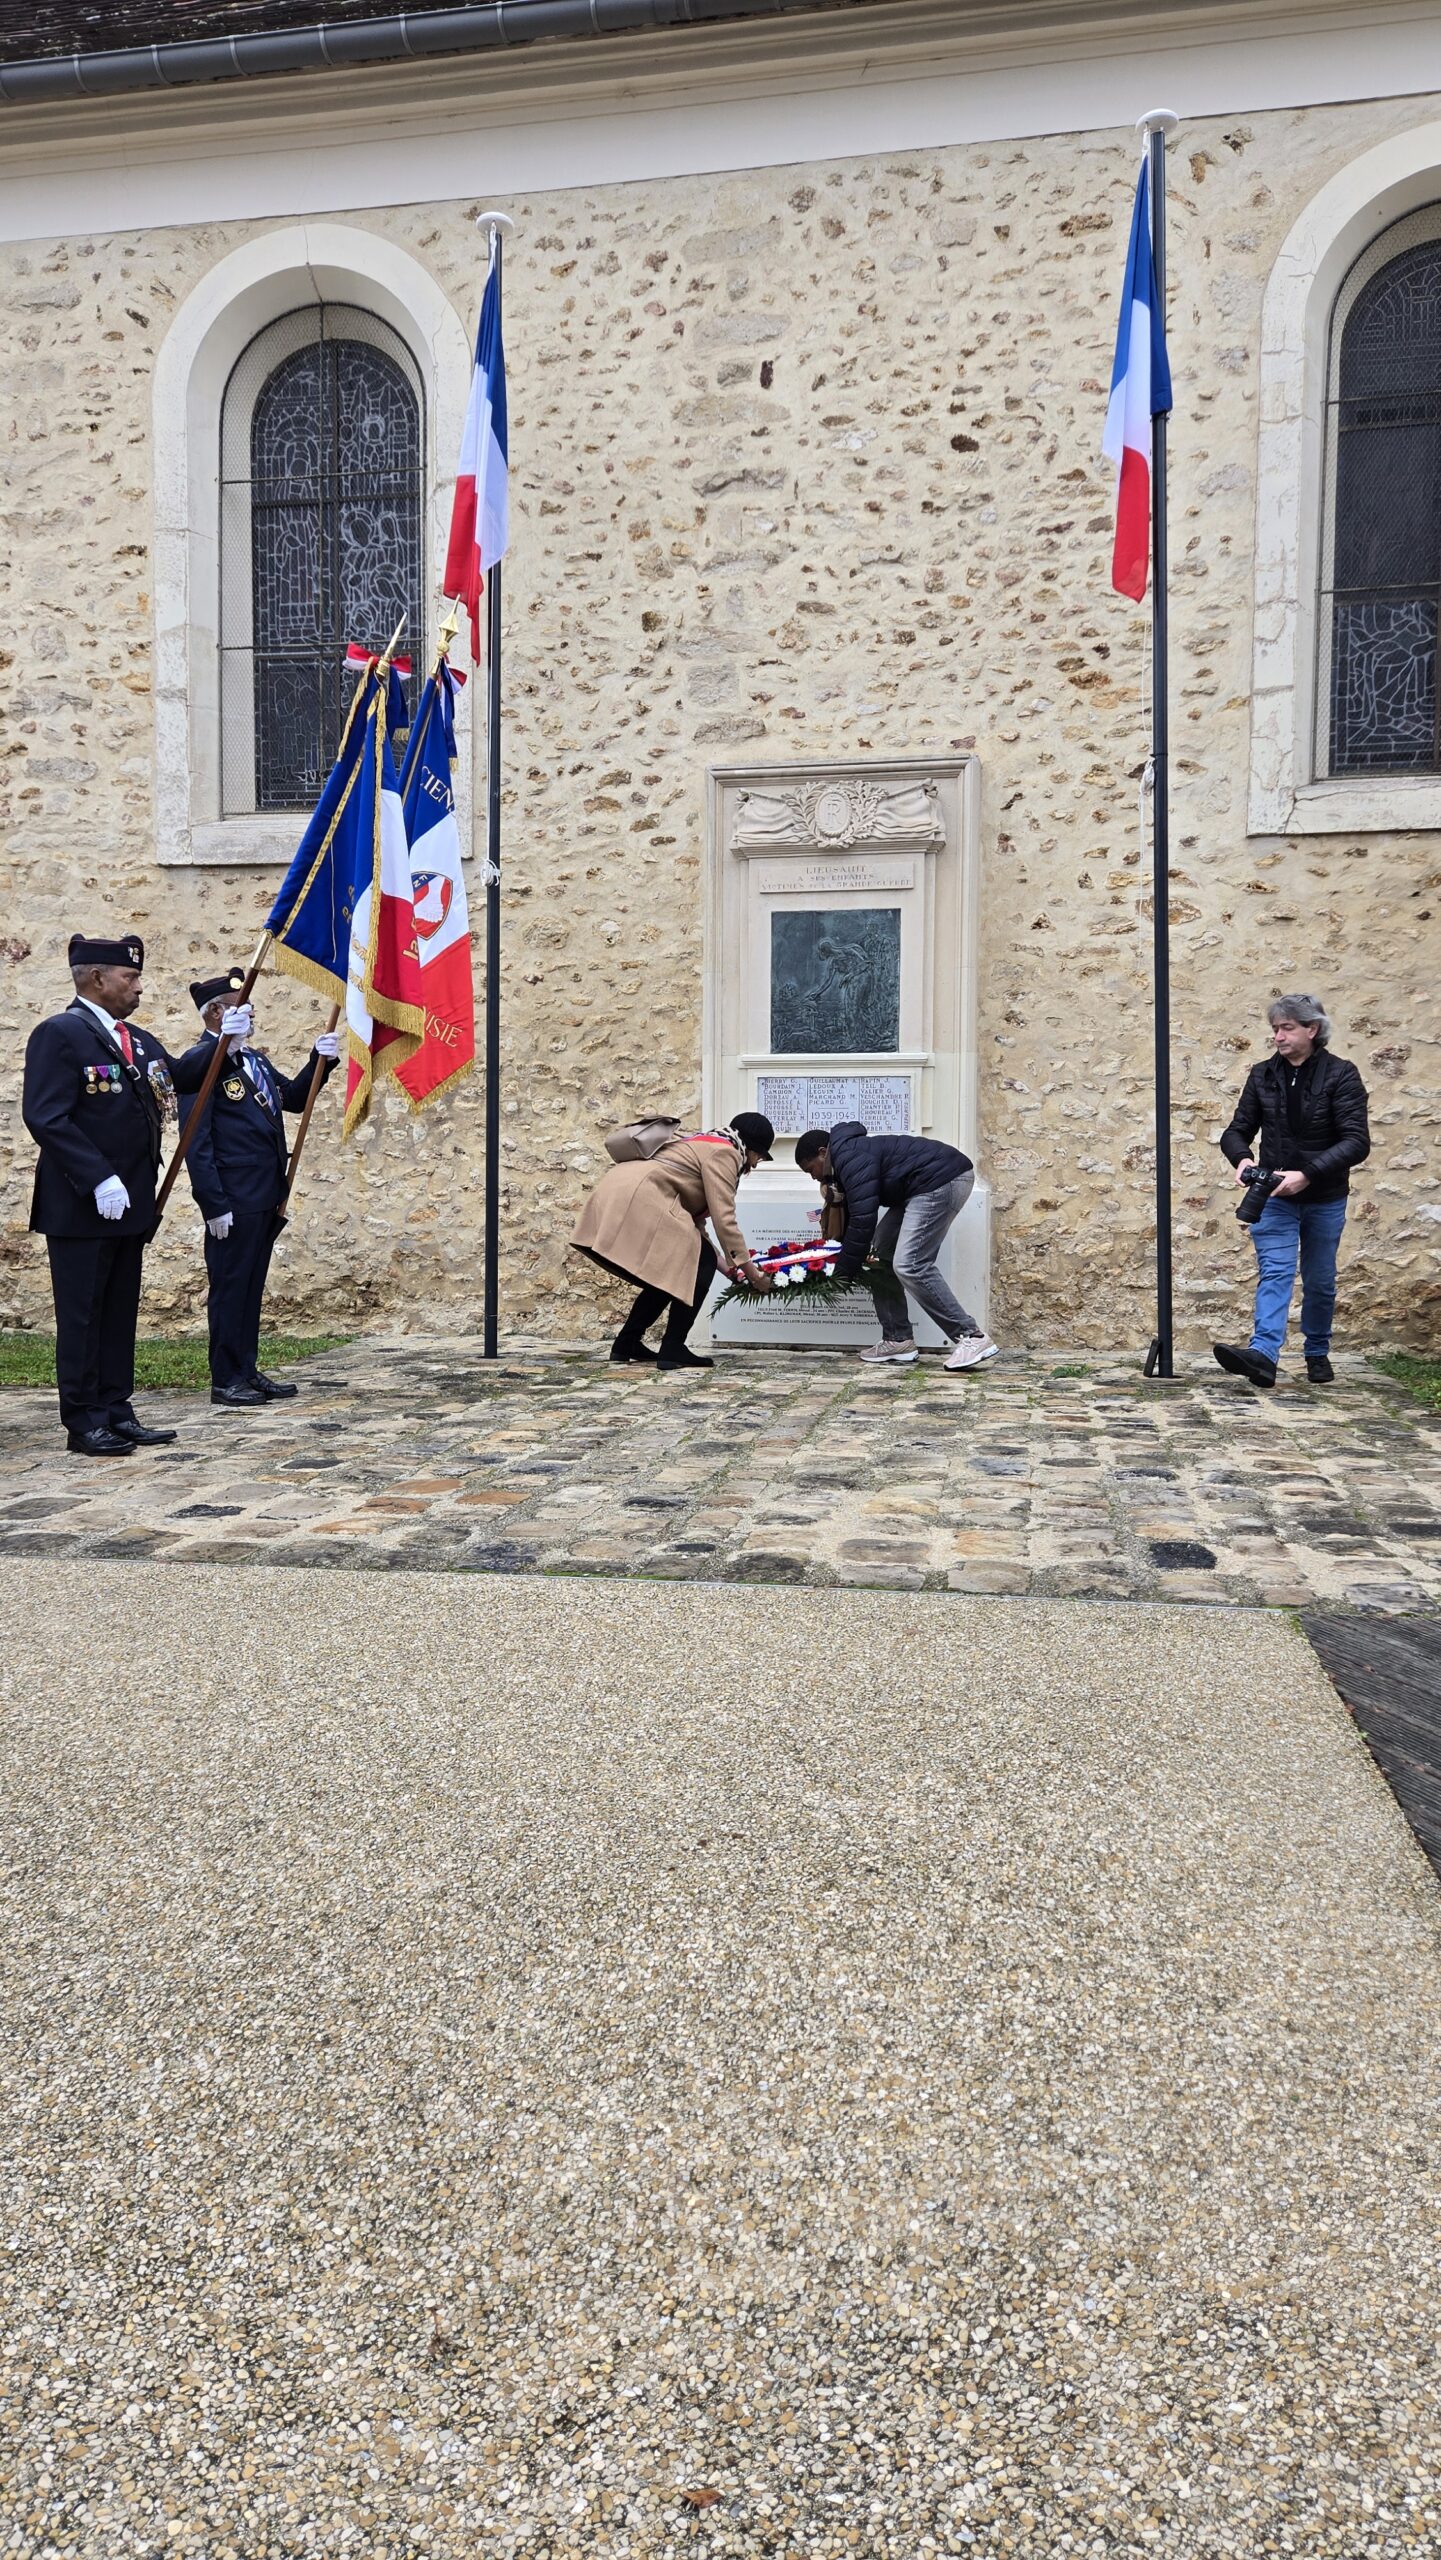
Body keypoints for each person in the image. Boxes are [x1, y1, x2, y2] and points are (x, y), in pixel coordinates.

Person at [21, 932, 244, 1457]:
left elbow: (178, 1077)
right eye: (130, 977)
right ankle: (84, 1420)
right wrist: (98, 1177)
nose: (139, 987)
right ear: (97, 978)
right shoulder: (59, 1034)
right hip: (81, 1203)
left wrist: (222, 1044)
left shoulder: (136, 1039)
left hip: (131, 1203)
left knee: (119, 1311)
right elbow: (46, 1116)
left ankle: (116, 1409)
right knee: (83, 1315)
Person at [181, 973, 341, 1407]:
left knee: (250, 1287)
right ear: (216, 1012)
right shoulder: (201, 1062)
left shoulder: (254, 1060)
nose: (251, 1012)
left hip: (265, 1193)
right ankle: (226, 1379)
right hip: (232, 1199)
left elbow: (292, 1099)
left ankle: (246, 1369)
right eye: (241, 1005)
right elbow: (196, 1141)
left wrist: (319, 1060)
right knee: (230, 1286)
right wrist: (212, 1203)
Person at [1214, 993, 1370, 1388]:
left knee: (1319, 1280)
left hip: (1324, 1196)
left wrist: (1307, 1174)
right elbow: (1237, 1130)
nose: (1278, 1036)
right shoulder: (1262, 1074)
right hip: (1273, 1195)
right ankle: (1263, 1356)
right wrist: (1242, 1160)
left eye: (1287, 1028)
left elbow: (1356, 1141)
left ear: (1312, 1029)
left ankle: (1316, 1351)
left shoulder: (1342, 1074)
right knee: (1276, 1271)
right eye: (1275, 1029)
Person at [570, 1112, 777, 1371]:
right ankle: (673, 1347)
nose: (755, 1165)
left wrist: (732, 1271)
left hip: (623, 1192)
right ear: (751, 1147)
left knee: (668, 1269)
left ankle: (626, 1343)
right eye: (759, 1156)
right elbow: (725, 1220)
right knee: (698, 1262)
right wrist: (754, 1275)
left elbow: (697, 1229)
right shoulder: (726, 1153)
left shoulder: (707, 1143)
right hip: (641, 1196)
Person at [794, 1120, 996, 1370]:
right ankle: (897, 1339)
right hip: (918, 1188)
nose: (813, 1176)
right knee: (879, 1255)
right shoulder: (844, 1160)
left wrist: (843, 1273)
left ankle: (971, 1336)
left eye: (810, 1169)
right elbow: (856, 1219)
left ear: (823, 1152)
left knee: (910, 1264)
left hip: (941, 1180)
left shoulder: (848, 1157)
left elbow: (863, 1220)